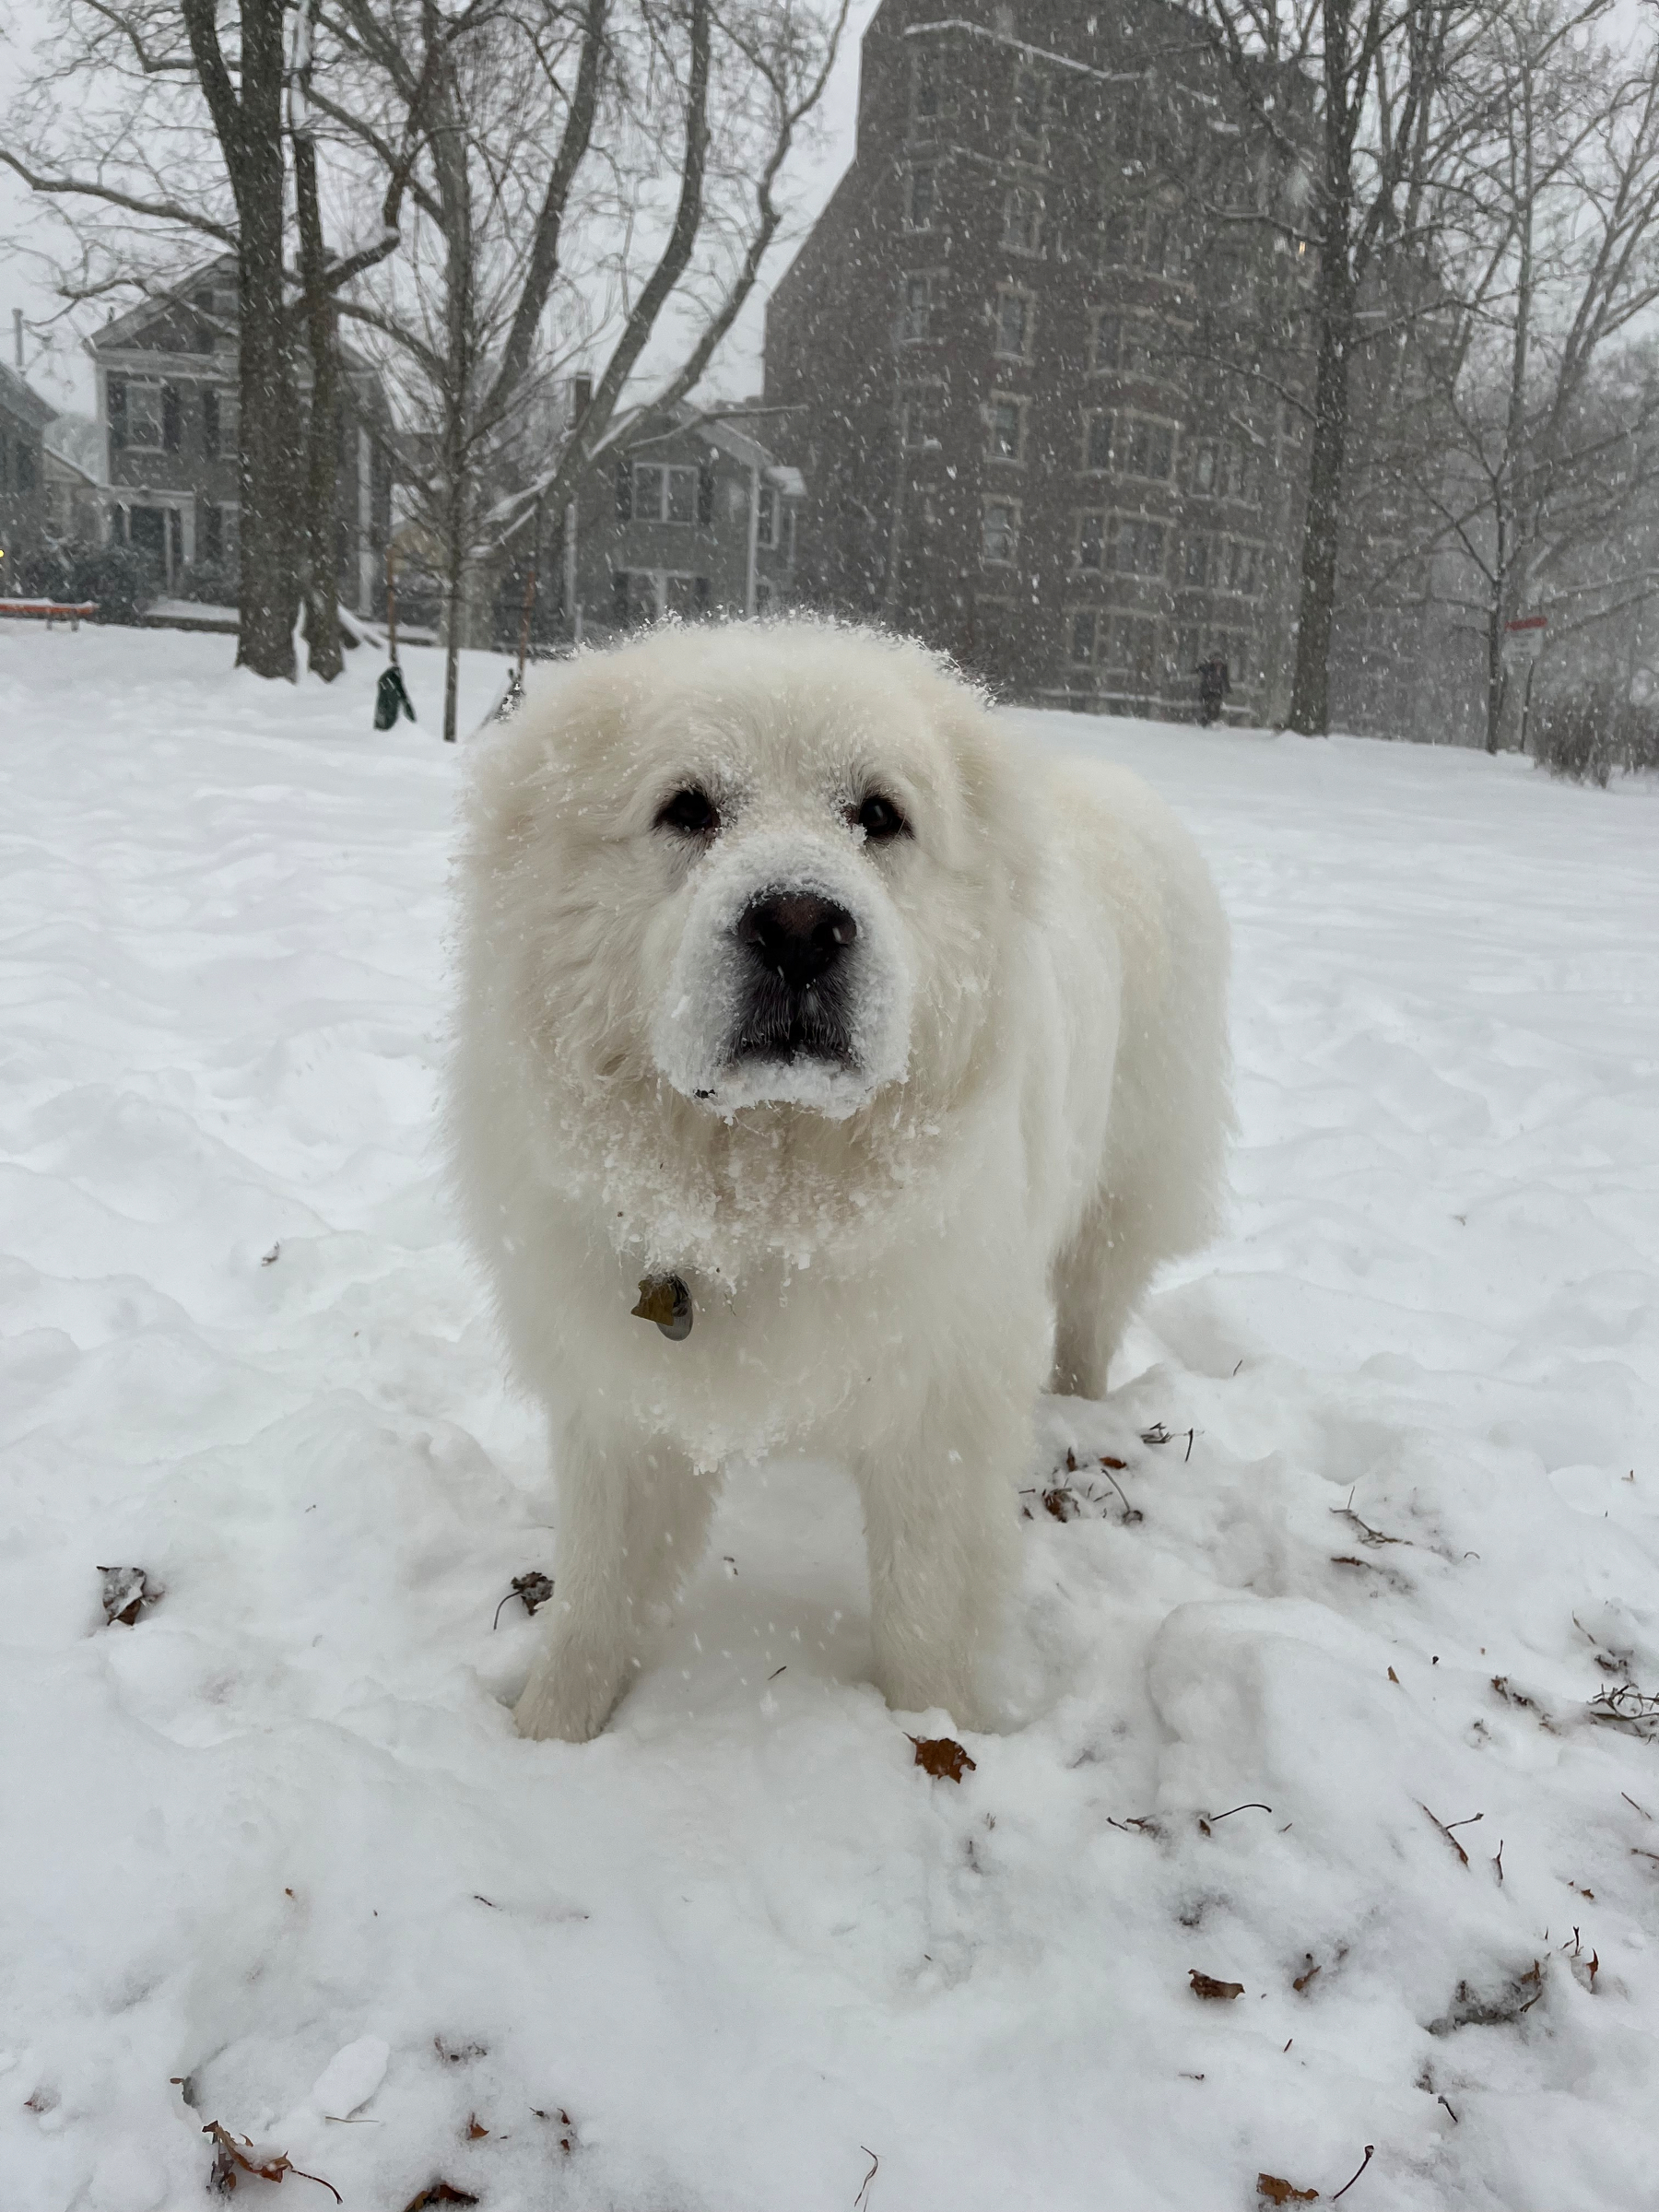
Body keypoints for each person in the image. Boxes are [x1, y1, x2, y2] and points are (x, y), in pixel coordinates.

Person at [1196, 654, 1230, 726]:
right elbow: (1202, 669)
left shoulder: (1223, 670)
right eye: (1217, 663)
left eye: (1219, 664)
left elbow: (1225, 680)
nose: (1218, 666)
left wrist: (1227, 689)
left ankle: (1208, 720)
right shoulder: (1209, 668)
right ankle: (1206, 720)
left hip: (1216, 693)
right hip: (1208, 692)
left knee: (1216, 710)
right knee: (1208, 707)